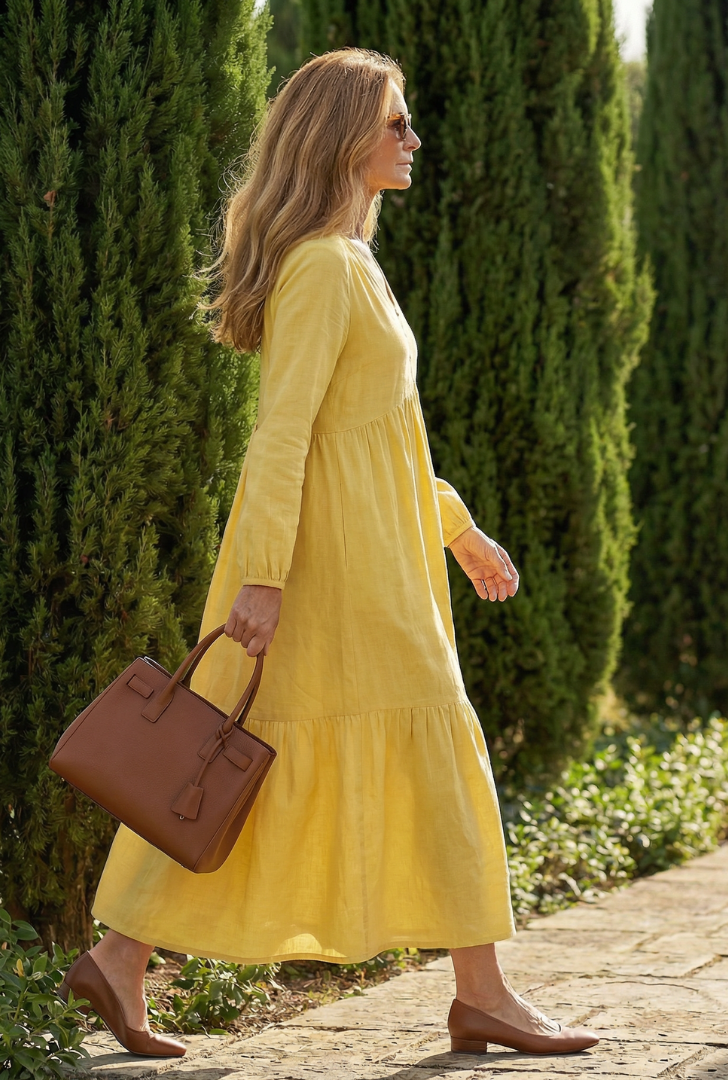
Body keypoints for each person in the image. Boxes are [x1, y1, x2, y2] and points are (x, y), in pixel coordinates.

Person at [59, 48, 600, 1058]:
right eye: (396, 122)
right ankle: (483, 993)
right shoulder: (320, 268)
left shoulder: (353, 262)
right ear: (343, 135)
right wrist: (262, 578)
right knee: (314, 753)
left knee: (244, 759)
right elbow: (284, 433)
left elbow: (384, 436)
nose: (413, 139)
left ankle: (120, 959)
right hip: (327, 574)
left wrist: (458, 529)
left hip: (373, 561)